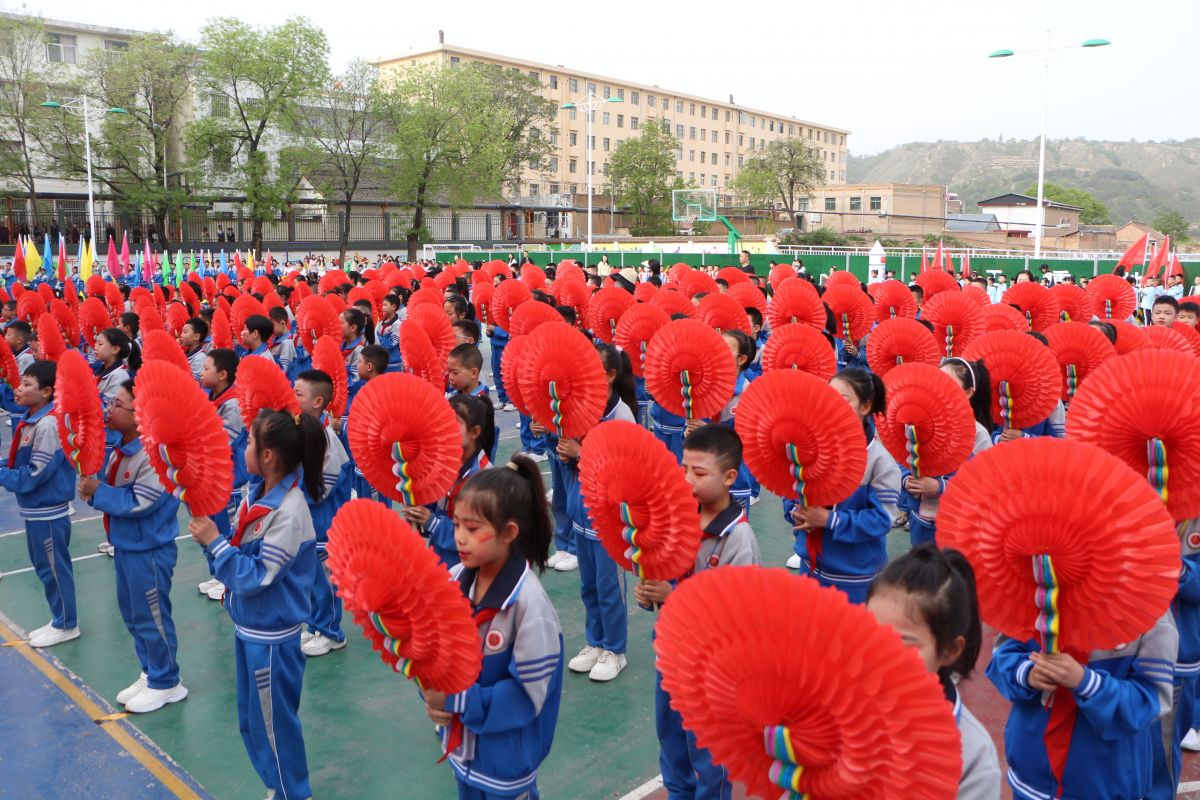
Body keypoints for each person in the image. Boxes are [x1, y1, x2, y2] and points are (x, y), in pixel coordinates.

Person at [187, 408, 326, 800]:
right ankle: (277, 786)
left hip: (272, 640)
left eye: (249, 442)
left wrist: (214, 543)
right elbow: (236, 554)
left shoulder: (289, 511)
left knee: (275, 726)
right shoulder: (257, 493)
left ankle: (293, 793)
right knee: (251, 721)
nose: (243, 447)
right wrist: (213, 544)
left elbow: (257, 576)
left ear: (268, 456)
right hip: (249, 629)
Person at [423, 454, 562, 800]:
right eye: (455, 525)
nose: (459, 538)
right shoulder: (453, 581)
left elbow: (525, 695)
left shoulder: (530, 605)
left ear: (509, 533)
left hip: (507, 762)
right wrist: (432, 693)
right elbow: (435, 656)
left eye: (473, 529)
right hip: (462, 749)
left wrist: (455, 700)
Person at [638, 423, 760, 800]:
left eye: (700, 473)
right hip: (671, 656)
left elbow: (733, 616)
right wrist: (649, 591)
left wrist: (670, 596)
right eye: (684, 468)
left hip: (712, 672)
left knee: (710, 757)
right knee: (671, 741)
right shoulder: (679, 519)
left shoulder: (738, 538)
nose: (688, 479)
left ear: (729, 477)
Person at [78, 379, 186, 713]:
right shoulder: (123, 446)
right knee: (133, 614)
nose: (108, 409)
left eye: (116, 404)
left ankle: (168, 682)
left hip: (149, 550)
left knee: (152, 616)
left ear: (140, 414)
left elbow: (142, 501)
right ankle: (150, 669)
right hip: (128, 545)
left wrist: (98, 491)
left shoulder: (154, 455)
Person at [988, 608, 1176, 799]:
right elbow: (1002, 654)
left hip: (1104, 783)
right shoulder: (1038, 592)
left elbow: (1151, 700)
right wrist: (1027, 673)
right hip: (1030, 773)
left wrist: (1087, 683)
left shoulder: (1150, 607)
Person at [867, 545, 1002, 798]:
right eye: (871, 635)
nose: (881, 654)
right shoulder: (841, 711)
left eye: (904, 643)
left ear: (950, 650)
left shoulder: (972, 755)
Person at [786, 368, 900, 603]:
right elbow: (791, 488)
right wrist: (796, 511)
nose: (832, 406)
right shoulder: (812, 450)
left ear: (865, 407)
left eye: (843, 400)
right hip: (810, 568)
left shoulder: (880, 462)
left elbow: (882, 520)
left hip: (855, 578)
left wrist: (828, 520)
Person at [561, 343, 638, 682]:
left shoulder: (621, 416)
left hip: (608, 519)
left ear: (609, 375)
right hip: (582, 512)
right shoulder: (581, 409)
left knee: (609, 587)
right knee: (588, 586)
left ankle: (615, 649)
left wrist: (581, 452)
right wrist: (565, 452)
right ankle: (595, 641)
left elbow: (624, 473)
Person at [0, 361, 78, 647]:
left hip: (48, 510)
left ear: (46, 391)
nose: (19, 388)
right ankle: (59, 618)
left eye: (27, 384)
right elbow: (19, 461)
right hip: (35, 510)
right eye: (20, 382)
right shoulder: (33, 417)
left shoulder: (47, 424)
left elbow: (36, 473)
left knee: (54, 568)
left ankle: (68, 623)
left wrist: (2, 475)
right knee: (44, 567)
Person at [897, 358, 993, 548]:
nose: (942, 390)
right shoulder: (920, 423)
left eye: (950, 385)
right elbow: (903, 459)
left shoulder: (977, 433)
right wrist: (907, 478)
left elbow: (983, 486)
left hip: (958, 526)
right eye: (937, 382)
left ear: (968, 393)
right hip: (921, 522)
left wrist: (939, 486)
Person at [293, 370, 353, 658]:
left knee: (326, 580)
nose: (292, 398)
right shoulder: (303, 430)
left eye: (298, 394)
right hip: (307, 522)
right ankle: (316, 625)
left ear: (318, 401)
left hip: (324, 523)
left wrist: (293, 493)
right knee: (311, 579)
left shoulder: (326, 439)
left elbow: (321, 490)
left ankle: (332, 632)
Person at [403, 394, 494, 568]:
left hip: (469, 567)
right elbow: (435, 508)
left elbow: (475, 536)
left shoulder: (484, 479)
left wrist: (431, 521)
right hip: (441, 560)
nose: (446, 429)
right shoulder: (443, 465)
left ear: (475, 432)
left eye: (455, 423)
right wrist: (417, 512)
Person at [197, 349, 248, 601]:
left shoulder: (233, 403)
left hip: (228, 477)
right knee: (211, 527)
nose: (201, 372)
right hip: (210, 475)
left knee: (227, 530)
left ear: (223, 374)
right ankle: (218, 573)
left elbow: (223, 441)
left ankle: (229, 578)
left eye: (206, 368)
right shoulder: (211, 397)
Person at [375, 293, 403, 372]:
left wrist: (376, 337)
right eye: (382, 305)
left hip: (393, 363)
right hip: (381, 361)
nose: (382, 307)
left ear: (393, 307)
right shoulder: (380, 323)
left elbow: (390, 343)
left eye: (385, 305)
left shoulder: (398, 324)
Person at [268, 308, 297, 378]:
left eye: (272, 325)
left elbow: (283, 370)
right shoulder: (276, 339)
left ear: (282, 324)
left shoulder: (287, 343)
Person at [179, 318, 209, 382]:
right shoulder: (187, 354)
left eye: (185, 332)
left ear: (196, 337)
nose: (181, 335)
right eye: (182, 332)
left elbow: (194, 382)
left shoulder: (200, 357)